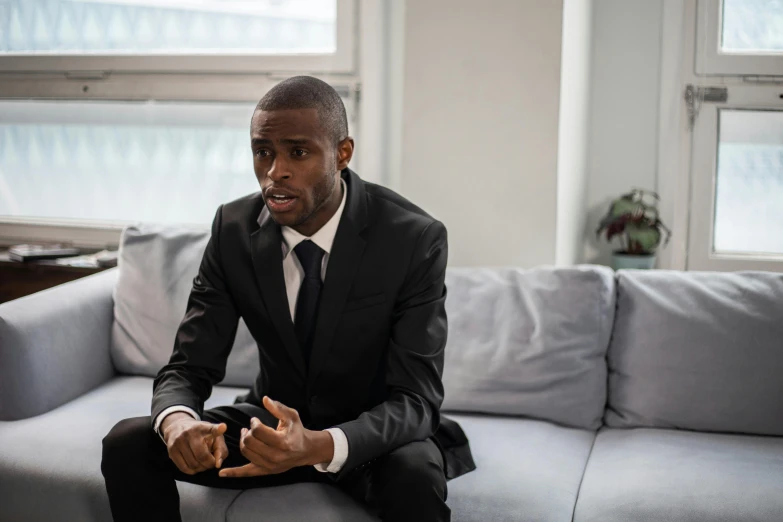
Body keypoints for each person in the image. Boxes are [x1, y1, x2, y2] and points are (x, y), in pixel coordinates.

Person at [100, 75, 475, 522]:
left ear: (342, 153)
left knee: (415, 478)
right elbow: (189, 366)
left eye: (297, 152)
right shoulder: (234, 229)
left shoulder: (412, 237)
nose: (274, 171)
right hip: (270, 432)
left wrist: (319, 445)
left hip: (370, 441)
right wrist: (179, 422)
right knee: (128, 444)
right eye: (263, 151)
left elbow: (416, 399)